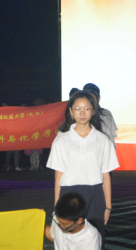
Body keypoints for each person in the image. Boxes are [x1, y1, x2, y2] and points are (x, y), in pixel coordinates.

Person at [47, 92, 118, 239]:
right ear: (71, 112)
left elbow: (106, 175)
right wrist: (57, 207)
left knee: (96, 239)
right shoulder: (61, 140)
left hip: (95, 195)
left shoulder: (103, 140)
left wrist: (108, 206)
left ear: (93, 111)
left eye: (87, 108)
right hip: (68, 194)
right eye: (77, 109)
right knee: (70, 239)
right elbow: (58, 175)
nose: (82, 113)